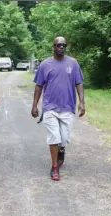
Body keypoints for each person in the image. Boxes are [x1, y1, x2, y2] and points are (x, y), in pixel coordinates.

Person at [31, 36, 85, 181]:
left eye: (63, 45)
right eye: (58, 45)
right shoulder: (45, 65)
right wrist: (35, 105)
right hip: (50, 107)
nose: (61, 47)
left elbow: (79, 83)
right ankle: (55, 168)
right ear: (53, 47)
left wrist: (82, 102)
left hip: (67, 107)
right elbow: (39, 86)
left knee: (64, 138)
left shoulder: (73, 63)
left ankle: (62, 149)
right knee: (54, 137)